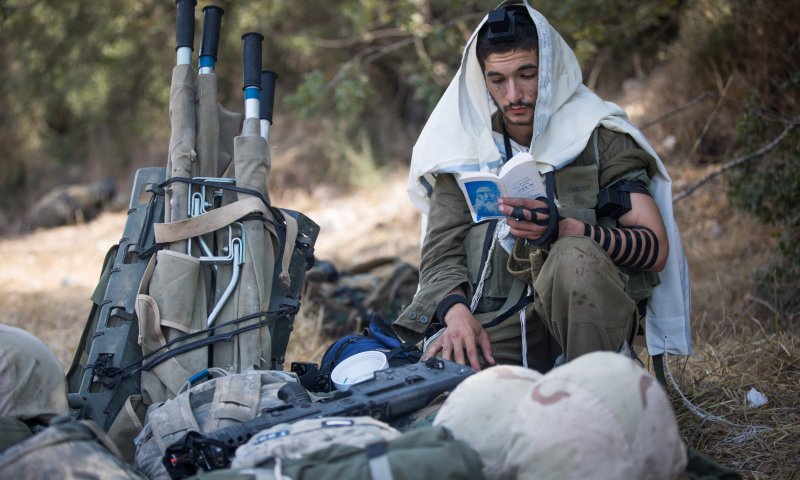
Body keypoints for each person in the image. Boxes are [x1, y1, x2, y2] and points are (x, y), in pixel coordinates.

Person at [393, 1, 691, 372]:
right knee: (441, 401)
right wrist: (454, 314)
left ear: (549, 70)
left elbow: (653, 247)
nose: (513, 95)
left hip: (587, 330)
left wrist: (566, 230)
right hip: (497, 326)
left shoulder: (598, 139)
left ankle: (596, 392)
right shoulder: (464, 153)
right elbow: (439, 257)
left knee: (572, 258)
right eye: (497, 80)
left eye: (527, 74)